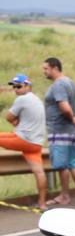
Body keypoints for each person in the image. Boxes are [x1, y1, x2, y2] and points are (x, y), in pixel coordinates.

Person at [41, 57, 75, 205]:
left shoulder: (58, 85)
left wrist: (72, 118)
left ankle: (64, 196)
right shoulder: (70, 82)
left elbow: (64, 106)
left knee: (62, 165)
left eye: (46, 69)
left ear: (55, 68)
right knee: (74, 163)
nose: (44, 72)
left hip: (59, 129)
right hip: (71, 131)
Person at [0, 74, 48, 210]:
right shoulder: (37, 100)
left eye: (19, 86)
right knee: (39, 172)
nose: (16, 89)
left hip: (24, 140)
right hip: (36, 144)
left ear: (28, 86)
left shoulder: (22, 99)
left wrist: (17, 124)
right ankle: (42, 204)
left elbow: (8, 117)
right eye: (14, 86)